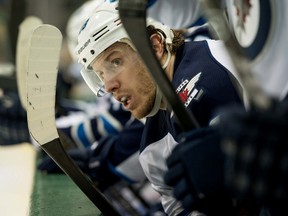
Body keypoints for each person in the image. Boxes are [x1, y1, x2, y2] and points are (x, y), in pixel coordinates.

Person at [75, 1, 247, 215]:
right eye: (100, 75)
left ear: (155, 46)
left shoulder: (212, 71)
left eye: (116, 62)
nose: (109, 85)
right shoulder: (151, 147)